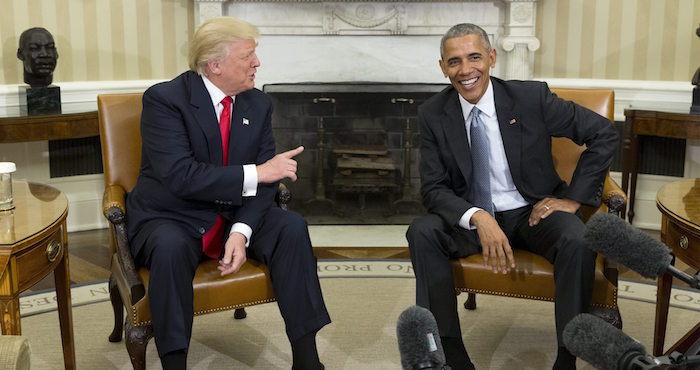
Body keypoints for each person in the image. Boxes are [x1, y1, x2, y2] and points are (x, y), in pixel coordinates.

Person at [406, 23, 618, 370]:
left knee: (577, 240)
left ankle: (567, 358)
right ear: (443, 68)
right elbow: (432, 188)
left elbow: (603, 133)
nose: (466, 70)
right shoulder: (432, 113)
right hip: (473, 216)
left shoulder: (531, 98)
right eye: (454, 61)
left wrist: (574, 199)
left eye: (474, 57)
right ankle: (452, 358)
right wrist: (478, 216)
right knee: (422, 231)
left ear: (491, 58)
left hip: (533, 211)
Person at [126, 16, 330, 370]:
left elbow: (265, 184)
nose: (257, 63)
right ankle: (174, 363)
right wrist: (259, 172)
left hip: (234, 213)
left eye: (255, 54)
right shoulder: (165, 100)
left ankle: (307, 360)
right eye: (247, 56)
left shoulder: (257, 104)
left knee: (292, 228)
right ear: (215, 65)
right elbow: (180, 176)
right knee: (170, 249)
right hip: (173, 215)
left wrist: (241, 231)